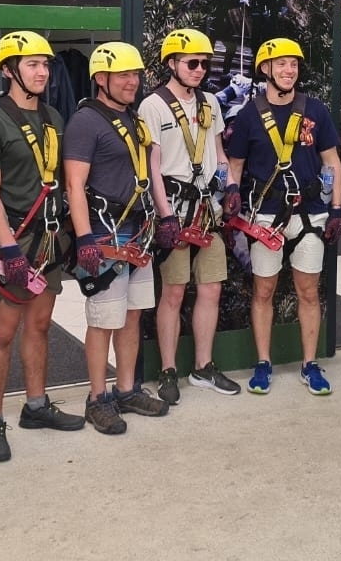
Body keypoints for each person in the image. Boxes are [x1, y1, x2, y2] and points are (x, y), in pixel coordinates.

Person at [0, 31, 85, 462]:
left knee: (40, 325)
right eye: (32, 65)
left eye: (45, 65)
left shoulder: (55, 116)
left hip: (51, 237)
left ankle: (36, 406)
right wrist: (9, 251)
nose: (41, 72)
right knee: (1, 332)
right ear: (8, 70)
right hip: (14, 239)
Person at [64, 41, 176, 434]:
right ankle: (98, 398)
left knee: (133, 315)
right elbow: (75, 185)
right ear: (101, 79)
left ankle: (126, 389)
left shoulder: (132, 119)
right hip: (104, 233)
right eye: (124, 75)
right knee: (103, 320)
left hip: (136, 232)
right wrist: (84, 240)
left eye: (136, 74)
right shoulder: (85, 122)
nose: (133, 82)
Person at [224, 38, 341, 396]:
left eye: (293, 64)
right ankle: (264, 362)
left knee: (309, 291)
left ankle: (310, 364)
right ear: (265, 69)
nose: (289, 70)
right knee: (264, 290)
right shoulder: (248, 115)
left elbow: (332, 162)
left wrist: (337, 209)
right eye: (281, 64)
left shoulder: (316, 111)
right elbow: (235, 165)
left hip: (310, 213)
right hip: (266, 215)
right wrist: (231, 192)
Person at [138, 28, 240, 404]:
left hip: (207, 210)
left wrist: (230, 184)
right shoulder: (153, 106)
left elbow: (218, 150)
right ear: (172, 64)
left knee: (211, 288)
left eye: (204, 63)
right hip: (176, 208)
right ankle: (167, 369)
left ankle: (203, 365)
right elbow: (153, 166)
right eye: (192, 63)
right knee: (174, 292)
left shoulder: (210, 102)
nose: (200, 70)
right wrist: (165, 216)